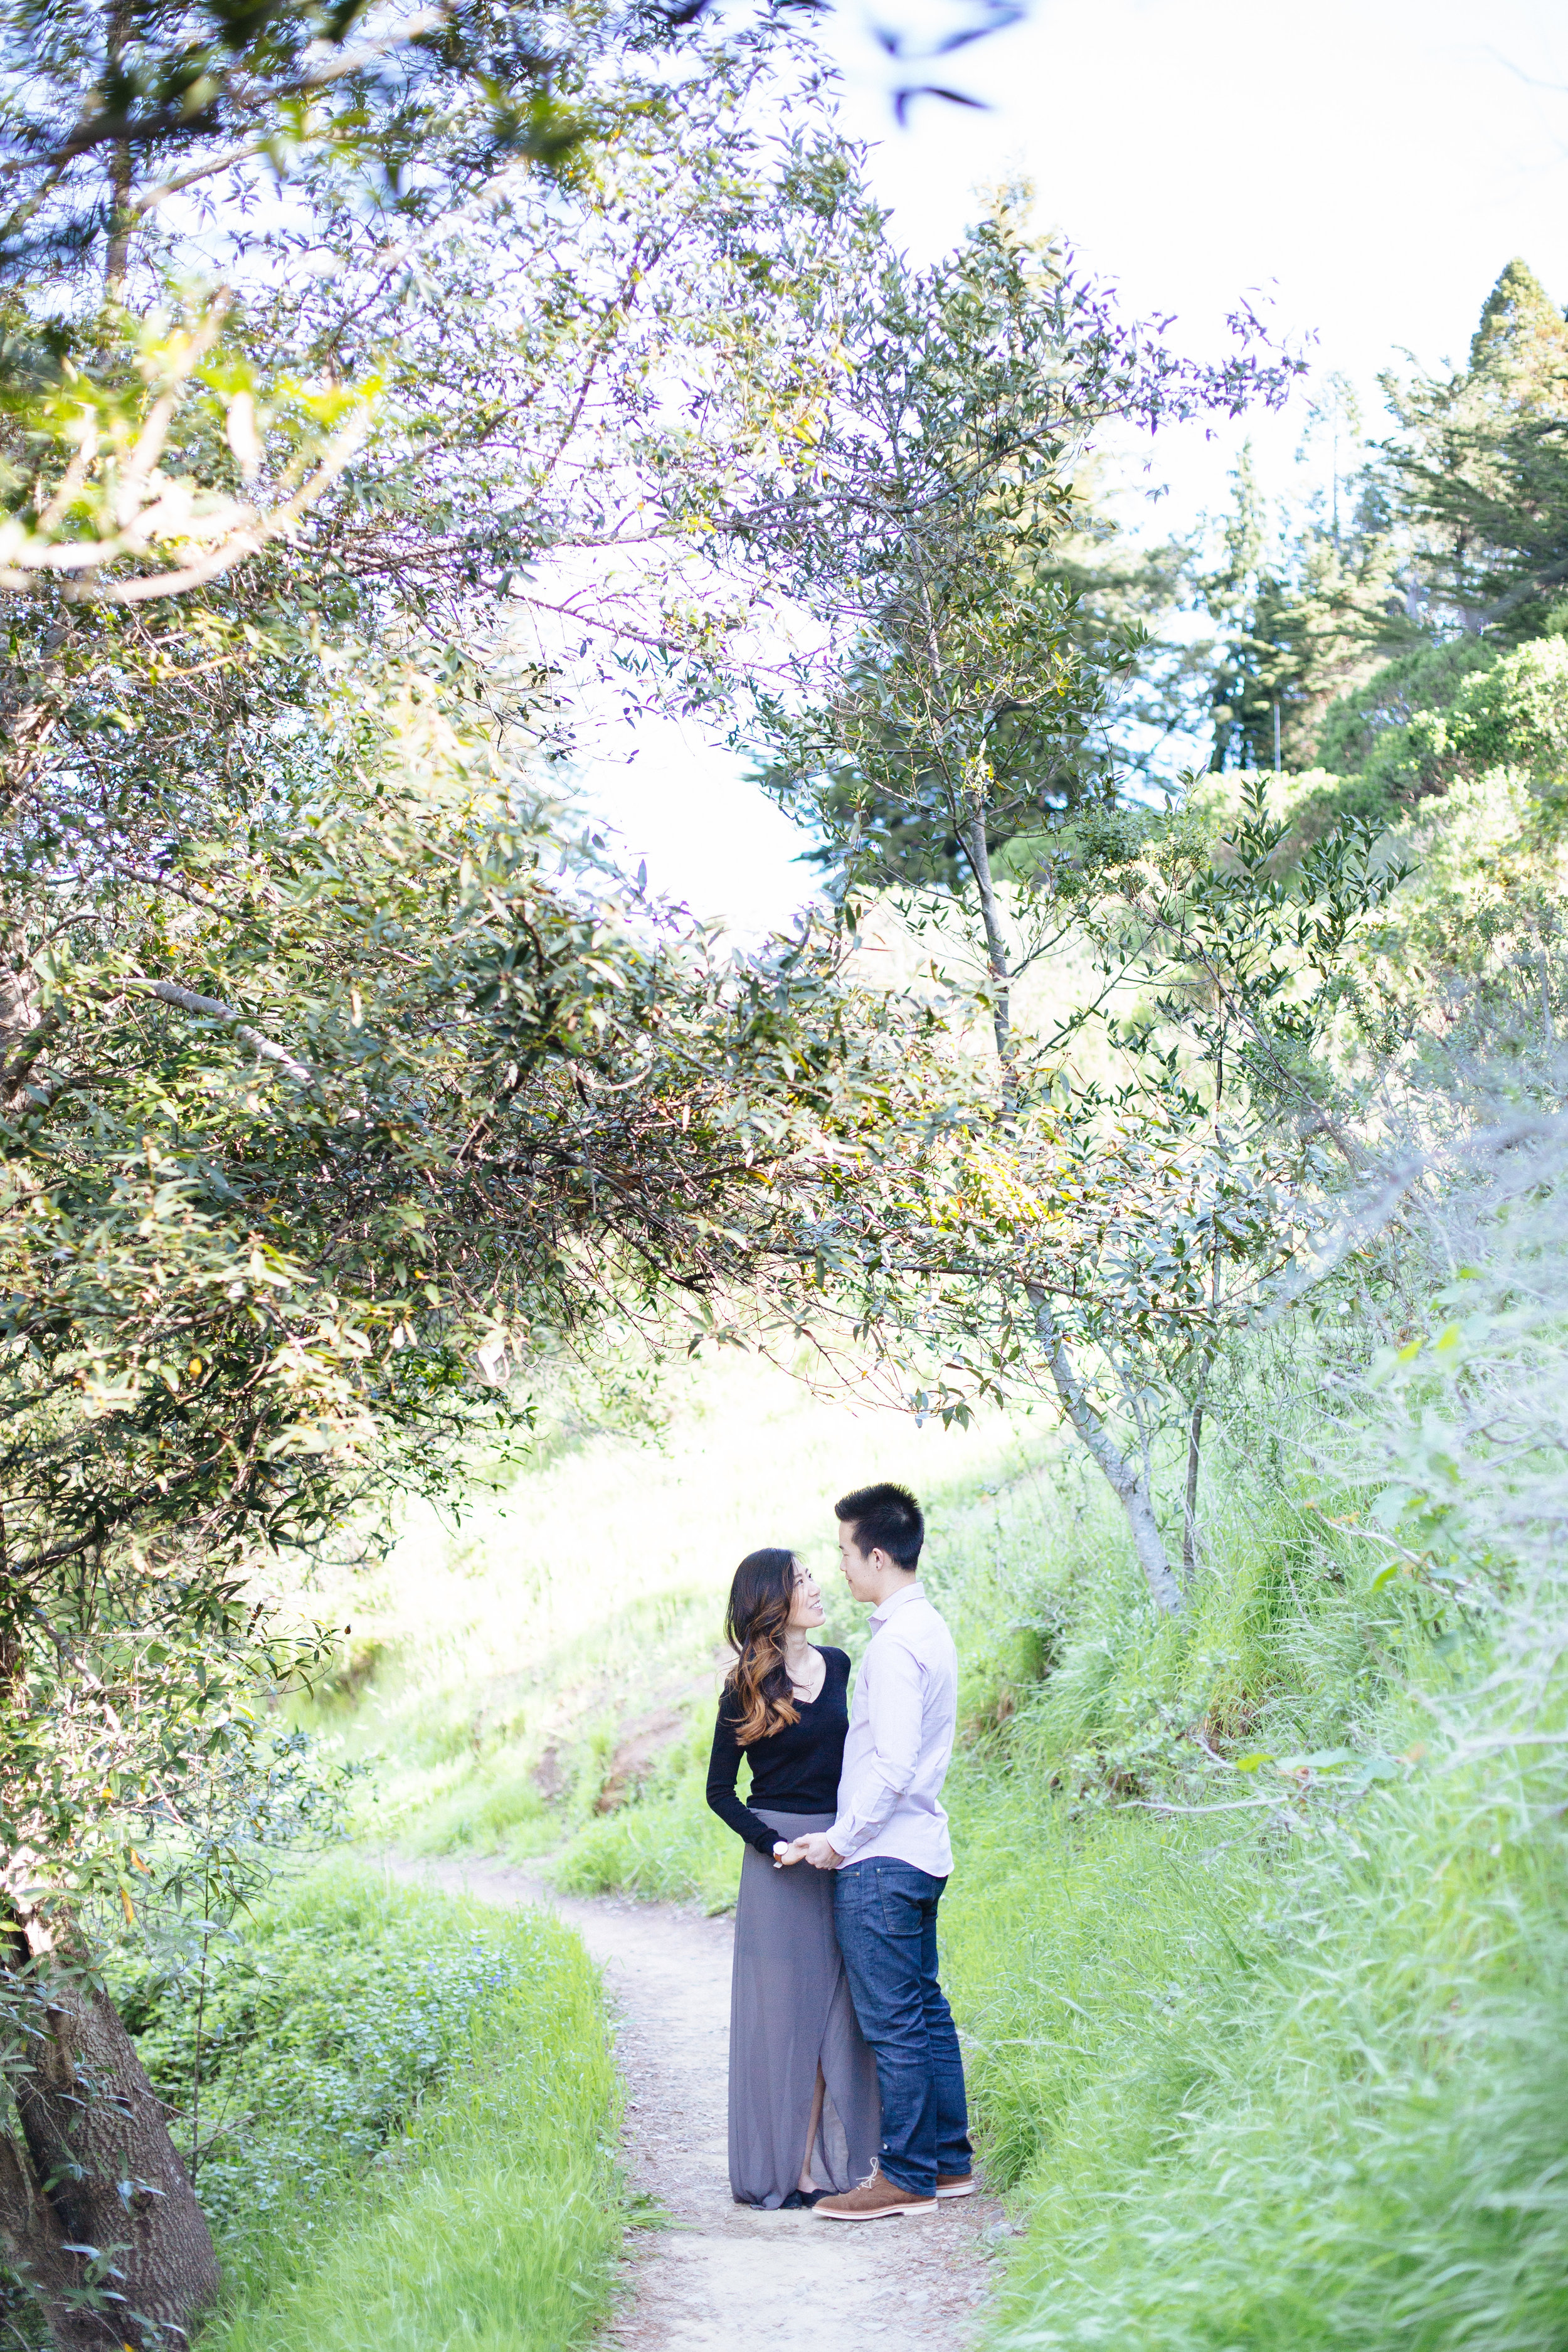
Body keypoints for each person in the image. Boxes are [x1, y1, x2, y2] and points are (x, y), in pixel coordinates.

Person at [787, 1482, 975, 2222]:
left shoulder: (896, 1645)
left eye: (842, 1554)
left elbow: (892, 1766)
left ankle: (905, 2176)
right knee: (925, 2012)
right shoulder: (927, 1628)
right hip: (921, 1852)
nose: (838, 1569)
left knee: (895, 2022)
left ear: (875, 1553)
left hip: (883, 1862)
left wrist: (838, 1840)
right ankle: (949, 2163)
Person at [705, 1547, 881, 2210]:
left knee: (839, 2018)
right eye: (802, 1580)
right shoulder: (743, 1688)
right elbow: (720, 1792)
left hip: (838, 1848)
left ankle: (829, 2164)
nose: (817, 1586)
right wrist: (773, 1845)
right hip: (780, 1866)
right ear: (773, 1605)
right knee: (785, 2020)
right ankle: (793, 2169)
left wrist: (847, 1835)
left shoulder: (837, 1665)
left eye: (812, 1575)